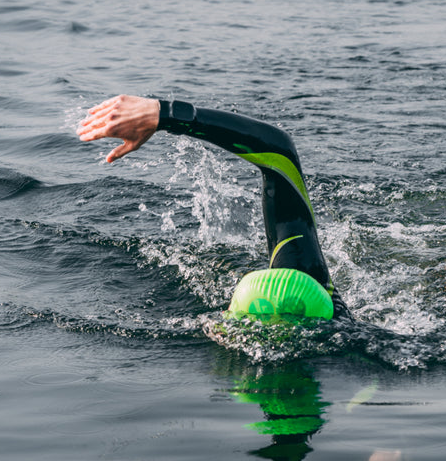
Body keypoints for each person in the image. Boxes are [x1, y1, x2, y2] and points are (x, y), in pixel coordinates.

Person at [77, 95, 349, 321]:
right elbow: (279, 151)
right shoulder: (316, 298)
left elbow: (279, 149)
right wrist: (165, 114)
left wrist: (166, 113)